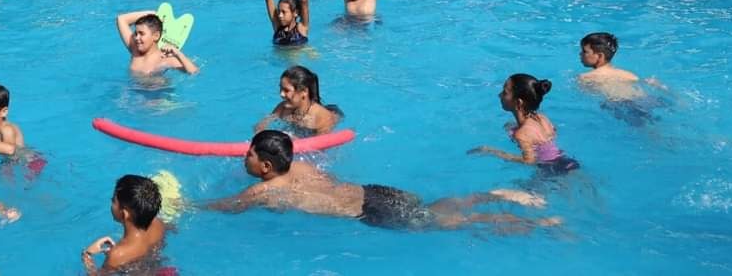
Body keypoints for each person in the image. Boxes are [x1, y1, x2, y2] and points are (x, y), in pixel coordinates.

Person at [207, 130, 553, 231]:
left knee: (452, 224)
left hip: (370, 213)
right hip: (373, 192)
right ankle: (491, 194)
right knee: (433, 210)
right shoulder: (301, 167)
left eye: (249, 154)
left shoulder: (263, 191)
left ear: (266, 166)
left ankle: (531, 221)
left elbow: (222, 207)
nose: (243, 157)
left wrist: (182, 204)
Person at [468, 74, 580, 173]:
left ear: (518, 102)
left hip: (550, 170)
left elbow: (529, 161)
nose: (500, 95)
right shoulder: (542, 118)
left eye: (505, 93)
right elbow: (552, 134)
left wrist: (493, 151)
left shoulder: (521, 134)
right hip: (567, 161)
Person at [82, 175, 167, 275]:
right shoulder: (159, 224)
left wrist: (87, 256)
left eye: (113, 201)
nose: (111, 202)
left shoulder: (117, 255)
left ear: (124, 214)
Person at [577, 32, 667, 125]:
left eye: (585, 51)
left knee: (648, 132)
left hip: (622, 104)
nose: (580, 54)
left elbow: (588, 97)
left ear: (600, 56)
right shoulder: (628, 74)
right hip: (645, 99)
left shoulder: (585, 77)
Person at [255, 66, 339, 135]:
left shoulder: (322, 118)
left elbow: (321, 147)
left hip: (334, 113)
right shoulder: (282, 107)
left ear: (304, 92)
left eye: (286, 90)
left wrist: (294, 141)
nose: (281, 94)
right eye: (280, 88)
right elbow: (261, 125)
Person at [116, 11, 198, 75]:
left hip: (158, 94)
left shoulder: (165, 59)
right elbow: (121, 19)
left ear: (156, 36)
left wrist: (178, 54)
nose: (137, 38)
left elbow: (194, 72)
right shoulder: (135, 51)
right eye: (136, 33)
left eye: (141, 33)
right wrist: (154, 14)